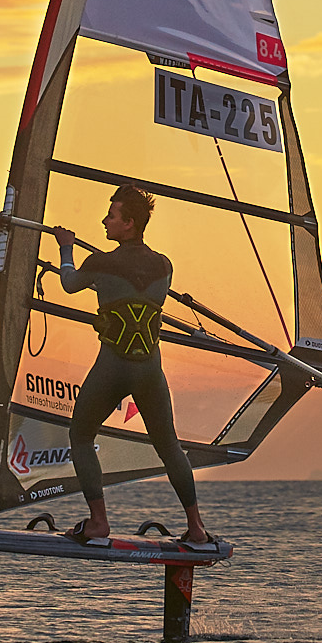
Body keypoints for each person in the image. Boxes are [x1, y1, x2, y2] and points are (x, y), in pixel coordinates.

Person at [51, 185, 214, 547]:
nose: (104, 221)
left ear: (129, 223)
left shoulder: (100, 262)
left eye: (111, 216)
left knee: (81, 436)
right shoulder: (164, 265)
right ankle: (197, 527)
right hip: (149, 369)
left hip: (112, 367)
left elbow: (69, 284)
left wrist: (66, 248)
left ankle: (98, 522)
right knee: (169, 445)